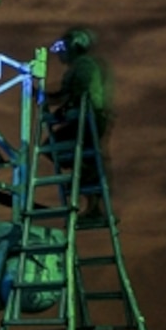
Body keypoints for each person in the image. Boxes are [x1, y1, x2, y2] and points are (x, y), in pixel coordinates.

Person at [44, 27, 114, 221]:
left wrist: (59, 105)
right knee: (83, 157)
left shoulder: (83, 65)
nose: (61, 54)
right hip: (89, 120)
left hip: (88, 121)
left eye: (63, 48)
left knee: (50, 147)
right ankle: (91, 199)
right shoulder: (81, 66)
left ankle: (86, 175)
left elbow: (77, 93)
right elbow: (66, 95)